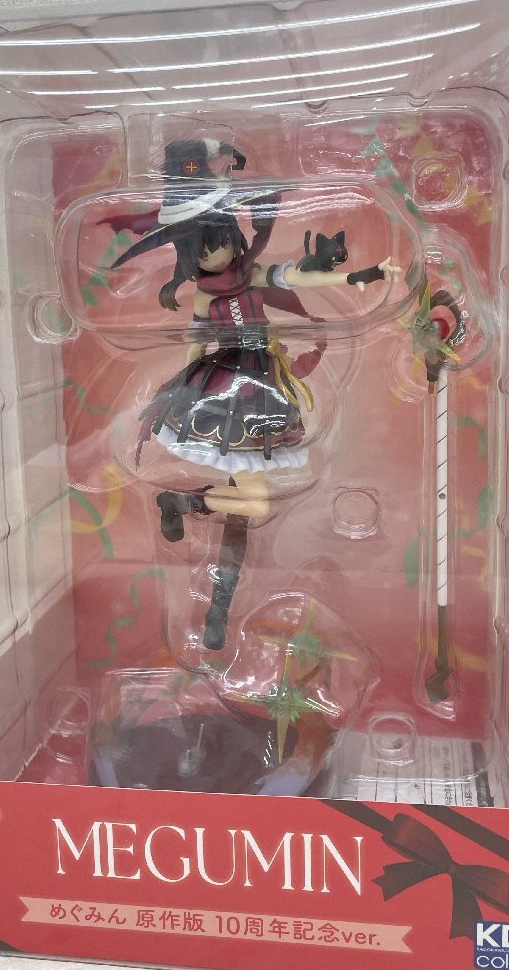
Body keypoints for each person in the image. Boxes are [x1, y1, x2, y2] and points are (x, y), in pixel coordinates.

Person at [113, 140, 398, 650]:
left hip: (260, 385)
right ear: (191, 257)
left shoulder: (251, 275)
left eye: (220, 243)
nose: (215, 255)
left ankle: (191, 528)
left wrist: (359, 275)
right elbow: (194, 345)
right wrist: (181, 392)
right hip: (224, 389)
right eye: (203, 251)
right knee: (254, 503)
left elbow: (296, 275)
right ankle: (198, 548)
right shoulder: (204, 298)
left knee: (249, 506)